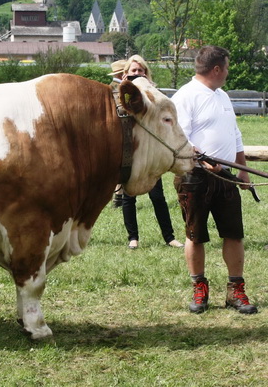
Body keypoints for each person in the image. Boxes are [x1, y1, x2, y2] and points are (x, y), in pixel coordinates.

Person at [172, 45, 257, 314]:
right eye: (227, 68)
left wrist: (242, 170)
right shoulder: (185, 96)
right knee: (195, 235)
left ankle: (236, 292)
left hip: (226, 177)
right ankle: (199, 290)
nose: (228, 73)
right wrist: (202, 159)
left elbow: (235, 136)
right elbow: (179, 138)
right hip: (195, 177)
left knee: (234, 233)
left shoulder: (222, 96)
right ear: (217, 69)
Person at [119, 55, 183, 250]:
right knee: (128, 196)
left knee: (157, 196)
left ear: (146, 73)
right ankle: (133, 238)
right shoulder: (120, 95)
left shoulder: (155, 94)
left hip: (151, 152)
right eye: (134, 70)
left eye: (141, 70)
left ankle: (169, 237)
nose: (138, 73)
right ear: (126, 73)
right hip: (129, 149)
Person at [108, 59, 127, 208]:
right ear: (122, 74)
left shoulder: (109, 87)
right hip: (122, 129)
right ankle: (119, 196)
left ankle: (117, 196)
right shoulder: (119, 88)